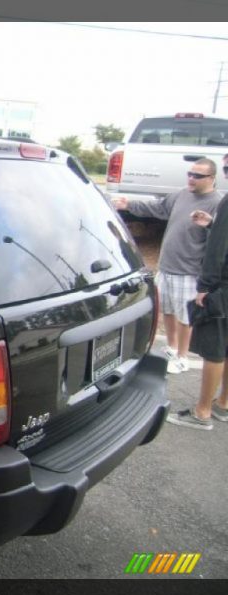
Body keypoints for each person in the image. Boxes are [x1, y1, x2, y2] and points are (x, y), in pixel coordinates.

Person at [112, 158, 222, 374]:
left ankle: (183, 356)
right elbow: (158, 208)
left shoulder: (216, 202)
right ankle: (171, 347)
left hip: (189, 270)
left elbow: (219, 237)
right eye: (190, 174)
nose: (191, 178)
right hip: (167, 265)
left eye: (198, 176)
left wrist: (210, 224)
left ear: (211, 178)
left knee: (185, 317)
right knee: (168, 310)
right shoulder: (181, 195)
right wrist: (129, 204)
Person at [167, 153, 228, 430]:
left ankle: (202, 412)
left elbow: (217, 250)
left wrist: (205, 287)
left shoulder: (225, 201)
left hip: (221, 287)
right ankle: (223, 405)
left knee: (214, 349)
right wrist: (213, 225)